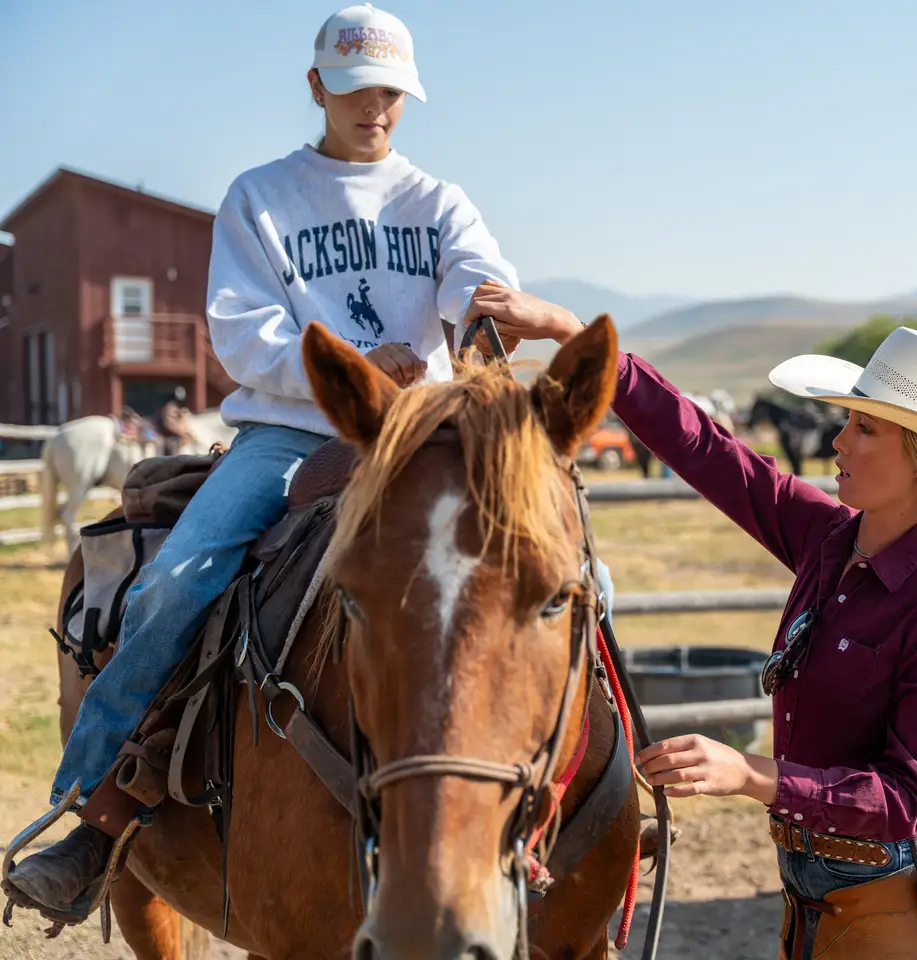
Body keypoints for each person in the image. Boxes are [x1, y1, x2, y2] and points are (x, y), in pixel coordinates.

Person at [1, 3, 620, 925]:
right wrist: (351, 373)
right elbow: (245, 337)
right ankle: (95, 812)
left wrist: (475, 319)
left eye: (390, 93)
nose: (374, 107)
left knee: (583, 581)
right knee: (174, 583)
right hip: (291, 432)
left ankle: (597, 799)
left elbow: (473, 283)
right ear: (316, 86)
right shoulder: (262, 196)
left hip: (423, 436)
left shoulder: (438, 201)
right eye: (356, 88)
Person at [476, 294, 917, 959]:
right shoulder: (828, 539)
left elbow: (903, 800)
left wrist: (748, 774)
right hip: (815, 899)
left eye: (863, 428)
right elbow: (712, 454)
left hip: (888, 913)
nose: (837, 440)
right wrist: (583, 344)